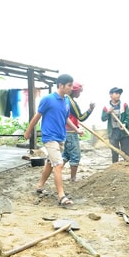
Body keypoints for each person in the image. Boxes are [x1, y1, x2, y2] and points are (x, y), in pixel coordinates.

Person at [23, 74, 84, 206]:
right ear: (61, 85)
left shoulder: (66, 101)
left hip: (61, 137)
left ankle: (39, 186)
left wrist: (77, 129)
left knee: (51, 163)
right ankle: (61, 196)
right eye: (69, 85)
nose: (71, 88)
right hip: (49, 137)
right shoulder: (48, 99)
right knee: (58, 164)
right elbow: (37, 116)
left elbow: (66, 118)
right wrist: (28, 131)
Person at [62, 82, 95, 181]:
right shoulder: (71, 102)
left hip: (65, 131)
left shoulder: (64, 99)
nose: (79, 94)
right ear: (74, 91)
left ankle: (56, 173)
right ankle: (73, 178)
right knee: (75, 155)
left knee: (66, 155)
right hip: (71, 132)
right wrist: (90, 110)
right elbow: (81, 117)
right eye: (79, 92)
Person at [101, 87, 129, 163]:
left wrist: (125, 123)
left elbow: (128, 116)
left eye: (119, 94)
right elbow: (103, 118)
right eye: (116, 93)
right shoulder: (106, 106)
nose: (118, 95)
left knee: (126, 152)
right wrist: (108, 112)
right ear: (111, 95)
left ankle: (128, 166)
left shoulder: (124, 105)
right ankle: (115, 168)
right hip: (113, 132)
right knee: (115, 152)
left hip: (123, 132)